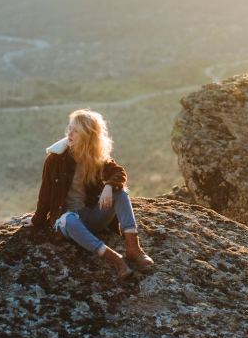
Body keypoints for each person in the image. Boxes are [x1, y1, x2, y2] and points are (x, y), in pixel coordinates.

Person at [21, 108, 154, 280]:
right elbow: (45, 194)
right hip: (69, 222)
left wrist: (109, 187)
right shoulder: (55, 159)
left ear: (88, 135)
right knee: (68, 218)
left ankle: (132, 248)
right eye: (69, 128)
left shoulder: (96, 156)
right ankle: (115, 259)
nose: (70, 133)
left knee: (120, 192)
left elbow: (119, 173)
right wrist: (36, 220)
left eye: (76, 131)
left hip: (92, 216)